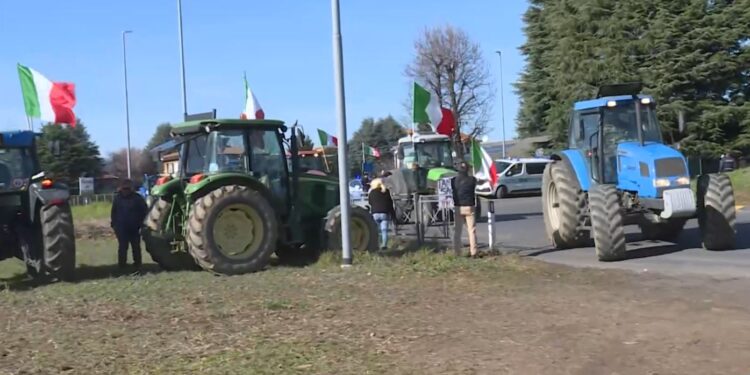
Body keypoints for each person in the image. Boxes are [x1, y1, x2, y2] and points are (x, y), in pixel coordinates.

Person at [111, 179, 149, 269]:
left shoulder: (137, 198)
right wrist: (114, 224)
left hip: (135, 227)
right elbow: (114, 212)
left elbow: (145, 211)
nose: (125, 191)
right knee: (123, 247)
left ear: (131, 188)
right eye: (124, 188)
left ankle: (137, 264)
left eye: (127, 188)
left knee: (136, 247)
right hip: (121, 227)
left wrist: (143, 224)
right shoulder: (118, 199)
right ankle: (122, 265)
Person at [451, 162, 478, 257]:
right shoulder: (472, 180)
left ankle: (457, 252)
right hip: (470, 206)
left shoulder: (453, 180)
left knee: (457, 231)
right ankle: (473, 252)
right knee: (471, 230)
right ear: (467, 170)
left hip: (458, 207)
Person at [368, 178, 396, 250]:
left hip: (375, 213)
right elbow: (390, 203)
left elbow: (370, 202)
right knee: (384, 230)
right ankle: (384, 245)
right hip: (385, 213)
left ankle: (377, 244)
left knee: (376, 230)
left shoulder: (372, 192)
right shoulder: (386, 191)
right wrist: (393, 216)